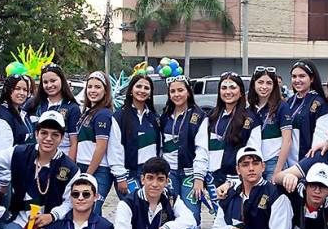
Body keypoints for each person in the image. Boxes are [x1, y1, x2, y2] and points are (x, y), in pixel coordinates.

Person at [0, 110, 78, 229]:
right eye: (44, 133)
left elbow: (70, 203)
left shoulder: (70, 168)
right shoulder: (20, 153)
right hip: (20, 218)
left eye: (55, 134)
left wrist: (52, 216)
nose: (48, 138)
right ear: (36, 133)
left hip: (49, 224)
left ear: (62, 138)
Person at [192, 72, 259, 201]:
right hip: (212, 180)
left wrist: (233, 182)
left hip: (237, 182)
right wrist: (199, 177)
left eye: (232, 87)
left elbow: (253, 153)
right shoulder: (210, 117)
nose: (228, 92)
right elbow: (202, 149)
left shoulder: (250, 119)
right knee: (218, 220)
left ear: (241, 92)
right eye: (224, 88)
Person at [159, 76, 205, 221]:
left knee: (192, 215)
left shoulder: (199, 116)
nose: (176, 94)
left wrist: (199, 177)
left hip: (190, 173)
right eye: (172, 91)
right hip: (169, 173)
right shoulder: (165, 116)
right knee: (169, 213)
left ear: (188, 92)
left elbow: (202, 148)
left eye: (180, 90)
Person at [109, 72, 161, 198]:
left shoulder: (154, 118)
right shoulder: (119, 116)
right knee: (133, 211)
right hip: (128, 174)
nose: (142, 90)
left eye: (146, 88)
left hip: (150, 174)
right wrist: (121, 177)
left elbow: (159, 148)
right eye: (138, 86)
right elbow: (114, 148)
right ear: (131, 90)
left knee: (148, 211)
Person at [27, 63, 81, 159]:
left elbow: (74, 143)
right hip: (34, 159)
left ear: (62, 80)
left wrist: (68, 169)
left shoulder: (72, 107)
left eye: (53, 81)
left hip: (60, 159)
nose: (49, 85)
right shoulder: (33, 103)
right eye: (45, 82)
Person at [76, 71, 115, 203]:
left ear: (106, 91)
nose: (93, 90)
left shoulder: (103, 114)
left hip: (98, 170)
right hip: (82, 165)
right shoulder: (88, 112)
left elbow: (101, 147)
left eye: (98, 87)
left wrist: (88, 174)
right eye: (90, 86)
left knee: (92, 210)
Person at [247, 66, 292, 179]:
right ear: (254, 84)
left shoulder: (282, 106)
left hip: (274, 162)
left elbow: (287, 140)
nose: (264, 87)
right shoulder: (250, 108)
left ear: (274, 85)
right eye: (260, 82)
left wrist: (277, 170)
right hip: (254, 163)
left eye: (269, 83)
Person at [285, 60, 328, 162]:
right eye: (294, 76)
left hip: (309, 159)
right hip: (288, 160)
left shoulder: (319, 103)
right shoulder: (289, 101)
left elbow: (323, 136)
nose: (297, 80)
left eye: (302, 76)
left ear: (312, 79)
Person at [0, 74, 33, 157]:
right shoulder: (2, 118)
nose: (22, 93)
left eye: (25, 90)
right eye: (17, 89)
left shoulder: (21, 113)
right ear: (8, 90)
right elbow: (2, 154)